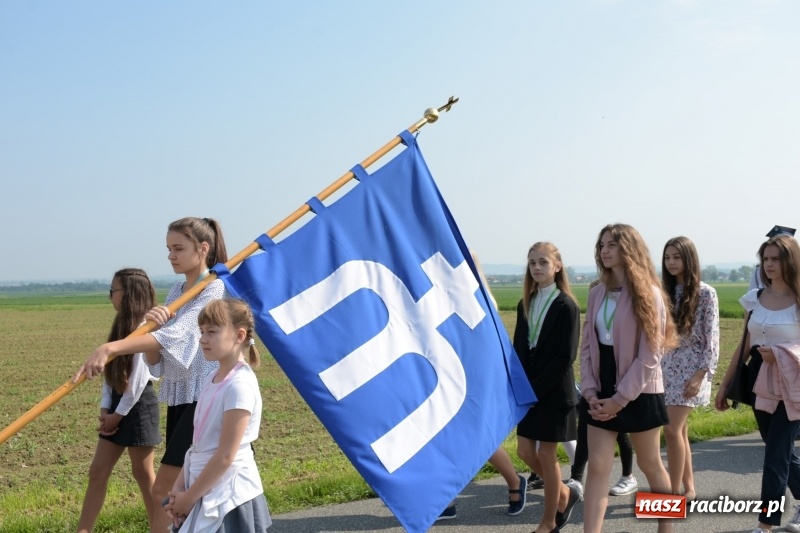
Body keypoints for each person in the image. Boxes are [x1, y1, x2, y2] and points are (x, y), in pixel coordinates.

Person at [74, 216, 228, 532]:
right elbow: (159, 357)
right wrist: (155, 326)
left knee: (164, 489)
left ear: (202, 248)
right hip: (181, 397)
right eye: (168, 249)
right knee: (177, 491)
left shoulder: (213, 287)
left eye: (178, 248)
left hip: (203, 399)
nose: (171, 255)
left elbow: (183, 334)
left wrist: (112, 348)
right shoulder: (176, 291)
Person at [580, 223, 675, 533]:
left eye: (612, 245)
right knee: (597, 468)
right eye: (602, 245)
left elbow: (650, 355)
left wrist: (620, 399)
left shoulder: (649, 293)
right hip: (601, 387)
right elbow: (587, 345)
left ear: (629, 250)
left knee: (650, 465)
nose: (604, 251)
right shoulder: (596, 292)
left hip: (640, 389)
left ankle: (666, 529)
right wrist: (591, 391)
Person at [715, 234, 800, 533]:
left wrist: (780, 354)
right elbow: (743, 347)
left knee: (776, 454)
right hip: (758, 380)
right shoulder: (755, 299)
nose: (770, 264)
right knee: (780, 449)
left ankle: (765, 524)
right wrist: (724, 386)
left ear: (790, 261)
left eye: (776, 258)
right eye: (766, 259)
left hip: (793, 384)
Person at [163, 298, 270, 531]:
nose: (203, 339)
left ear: (239, 336)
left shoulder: (239, 385)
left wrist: (190, 496)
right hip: (202, 485)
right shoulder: (211, 379)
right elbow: (197, 446)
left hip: (228, 494)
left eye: (212, 331)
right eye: (202, 331)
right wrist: (180, 489)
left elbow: (225, 456)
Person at [438, 252, 527, 520]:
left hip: (473, 377)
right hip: (446, 374)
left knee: (480, 439)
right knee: (445, 436)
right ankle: (447, 497)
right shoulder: (440, 293)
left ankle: (514, 481)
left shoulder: (481, 298)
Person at [77, 268, 161, 533]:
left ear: (129, 294)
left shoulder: (144, 330)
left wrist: (118, 414)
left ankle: (160, 528)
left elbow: (137, 380)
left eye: (113, 291)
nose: (110, 296)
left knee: (144, 474)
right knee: (98, 471)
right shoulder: (119, 328)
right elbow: (111, 371)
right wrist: (105, 407)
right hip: (117, 404)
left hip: (137, 407)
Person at [513, 242, 581, 533]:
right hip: (529, 393)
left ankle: (549, 521)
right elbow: (519, 348)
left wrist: (534, 389)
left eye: (543, 262)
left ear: (557, 265)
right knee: (525, 452)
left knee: (546, 455)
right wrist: (517, 386)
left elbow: (565, 357)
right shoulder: (525, 302)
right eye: (532, 263)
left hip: (553, 393)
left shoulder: (566, 305)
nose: (537, 268)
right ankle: (565, 494)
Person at [661, 236, 720, 500]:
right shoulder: (662, 291)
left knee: (672, 430)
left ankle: (673, 493)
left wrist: (701, 374)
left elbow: (712, 337)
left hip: (691, 368)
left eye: (677, 257)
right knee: (679, 431)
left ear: (689, 259)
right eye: (667, 257)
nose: (672, 262)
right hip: (665, 366)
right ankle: (690, 488)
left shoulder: (706, 293)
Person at [749, 226, 796, 291]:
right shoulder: (760, 270)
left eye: (775, 259)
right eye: (765, 259)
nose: (769, 264)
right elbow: (753, 293)